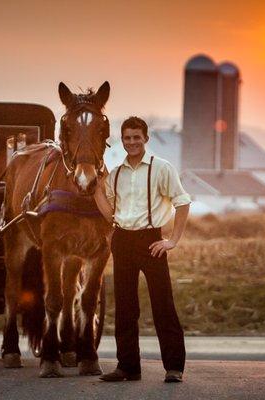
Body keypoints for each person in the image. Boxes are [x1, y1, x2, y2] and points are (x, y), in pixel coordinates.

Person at [93, 116, 191, 383]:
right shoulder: (116, 174)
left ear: (146, 139)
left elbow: (182, 203)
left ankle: (173, 367)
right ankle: (128, 367)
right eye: (127, 138)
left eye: (137, 137)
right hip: (123, 241)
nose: (132, 142)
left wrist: (172, 240)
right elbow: (110, 213)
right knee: (125, 307)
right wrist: (95, 191)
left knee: (163, 305)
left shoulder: (161, 168)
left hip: (151, 241)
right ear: (122, 141)